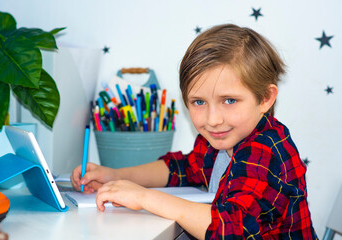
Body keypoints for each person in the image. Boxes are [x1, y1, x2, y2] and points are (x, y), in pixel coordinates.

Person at [71, 24, 317, 239]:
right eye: (199, 102)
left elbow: (231, 230)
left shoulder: (265, 149)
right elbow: (182, 168)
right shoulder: (221, 138)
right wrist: (115, 175)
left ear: (265, 98)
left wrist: (144, 197)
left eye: (229, 100)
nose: (212, 120)